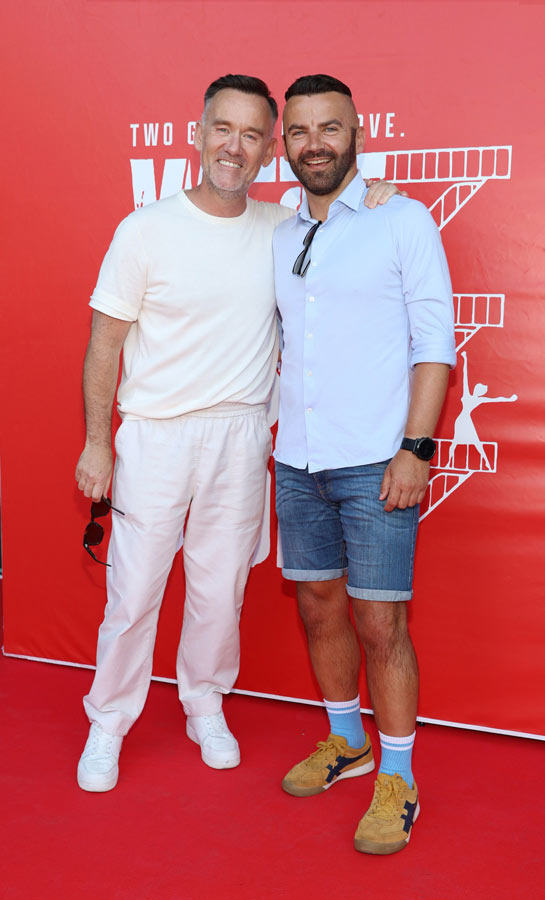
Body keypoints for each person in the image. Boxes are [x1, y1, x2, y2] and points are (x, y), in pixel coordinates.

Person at [74, 73, 397, 792]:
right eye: (224, 129)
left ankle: (203, 702)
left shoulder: (281, 233)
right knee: (133, 594)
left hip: (243, 437)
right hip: (155, 435)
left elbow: (350, 240)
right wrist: (99, 442)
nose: (235, 147)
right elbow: (103, 345)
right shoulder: (144, 230)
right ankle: (110, 719)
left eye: (253, 135)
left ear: (268, 150)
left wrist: (377, 195)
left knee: (220, 590)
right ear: (198, 133)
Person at [272, 74, 456, 855]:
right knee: (317, 609)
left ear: (356, 132)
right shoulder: (275, 232)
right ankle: (345, 742)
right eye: (300, 131)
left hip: (376, 461)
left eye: (330, 128)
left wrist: (415, 449)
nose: (315, 143)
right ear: (285, 143)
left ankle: (397, 777)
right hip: (294, 461)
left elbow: (432, 344)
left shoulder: (402, 220)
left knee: (381, 623)